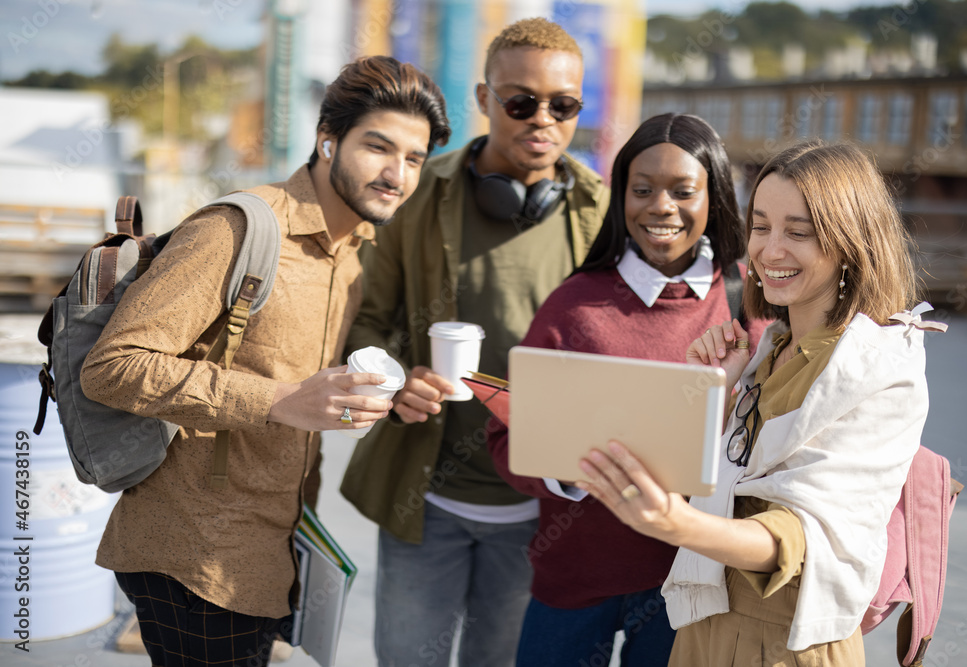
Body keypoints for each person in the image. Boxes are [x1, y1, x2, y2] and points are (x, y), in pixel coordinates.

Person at [79, 55, 450, 667]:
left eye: (415, 159)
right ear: (327, 141)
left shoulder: (353, 252)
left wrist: (393, 393)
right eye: (378, 147)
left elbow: (305, 384)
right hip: (192, 553)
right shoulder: (238, 228)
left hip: (272, 551)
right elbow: (113, 365)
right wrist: (279, 400)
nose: (397, 174)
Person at [578, 140, 941, 666]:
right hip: (704, 626)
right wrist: (718, 393)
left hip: (790, 643)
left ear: (851, 242)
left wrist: (672, 523)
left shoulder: (881, 369)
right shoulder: (766, 348)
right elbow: (721, 478)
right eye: (761, 226)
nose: (770, 251)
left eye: (799, 232)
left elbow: (800, 536)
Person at [340, 17, 609, 667]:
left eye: (563, 105)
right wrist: (395, 379)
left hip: (541, 511)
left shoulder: (602, 212)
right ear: (486, 100)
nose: (542, 118)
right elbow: (367, 323)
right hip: (423, 498)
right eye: (520, 101)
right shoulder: (418, 193)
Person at [486, 113, 769, 666]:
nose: (660, 207)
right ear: (621, 200)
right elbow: (504, 438)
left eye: (683, 191)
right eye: (642, 190)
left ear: (714, 198)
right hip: (573, 581)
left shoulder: (748, 305)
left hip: (688, 586)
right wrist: (566, 471)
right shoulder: (574, 304)